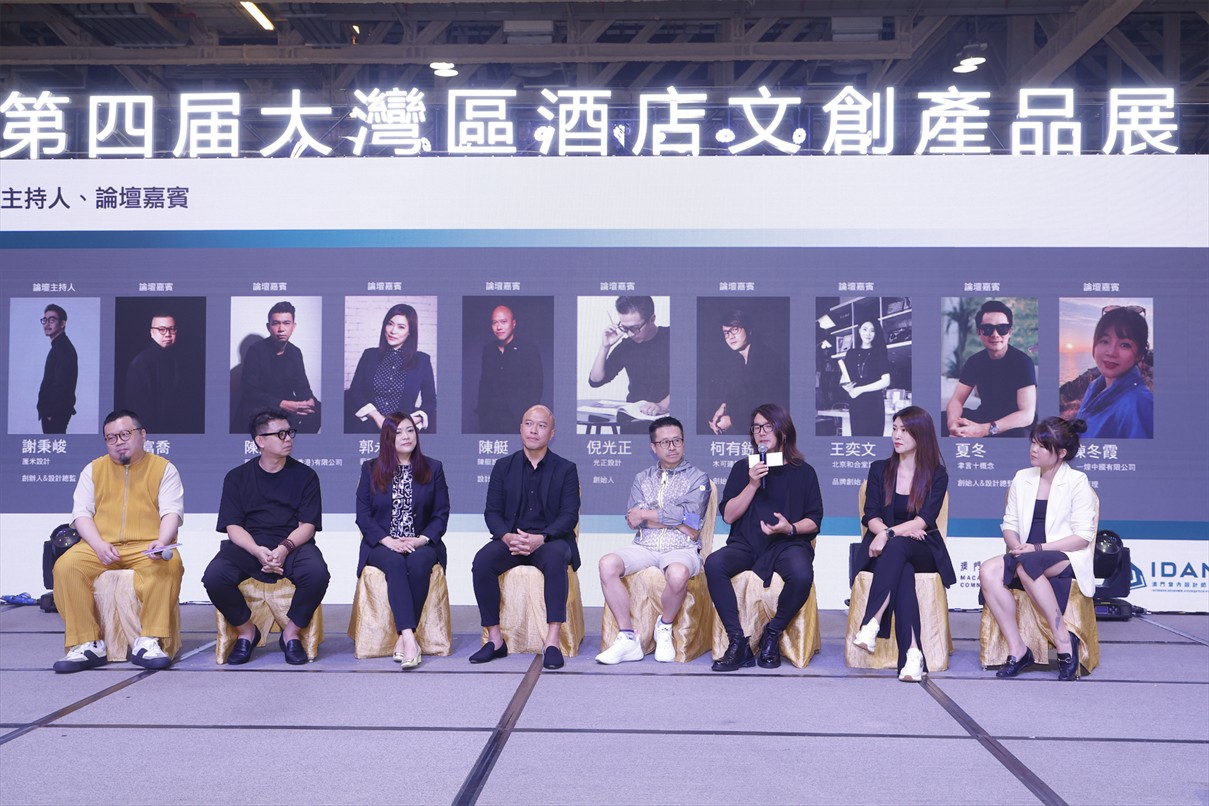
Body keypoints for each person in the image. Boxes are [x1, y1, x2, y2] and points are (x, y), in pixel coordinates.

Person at [51, 409, 184, 673]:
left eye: (125, 434)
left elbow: (172, 512)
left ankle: (149, 640)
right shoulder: (93, 469)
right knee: (66, 567)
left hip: (146, 546)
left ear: (142, 435)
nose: (118, 442)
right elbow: (81, 515)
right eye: (111, 438)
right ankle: (87, 642)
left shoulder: (163, 469)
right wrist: (98, 545)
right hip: (100, 546)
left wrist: (161, 541)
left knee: (169, 564)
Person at [203, 409, 329, 665]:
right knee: (214, 577)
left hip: (292, 545)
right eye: (280, 434)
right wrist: (256, 550)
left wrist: (283, 548)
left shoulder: (306, 476)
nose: (288, 438)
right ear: (260, 441)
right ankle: (247, 631)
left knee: (317, 574)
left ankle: (291, 633)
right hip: (250, 546)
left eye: (290, 432)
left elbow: (308, 526)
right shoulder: (237, 477)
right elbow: (233, 526)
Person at [705, 403, 824, 671]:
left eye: (768, 427)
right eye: (757, 427)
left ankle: (773, 633)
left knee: (802, 574)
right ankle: (738, 642)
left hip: (787, 543)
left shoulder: (804, 471)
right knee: (714, 563)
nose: (761, 432)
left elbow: (814, 519)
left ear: (784, 431)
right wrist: (752, 484)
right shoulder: (743, 468)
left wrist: (789, 528)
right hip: (746, 544)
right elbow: (729, 516)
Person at [978, 417, 1096, 681]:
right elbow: (1009, 525)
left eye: (1042, 446)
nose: (1034, 449)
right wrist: (1016, 546)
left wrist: (1038, 548)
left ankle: (1063, 640)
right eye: (1033, 442)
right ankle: (1019, 649)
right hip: (1026, 553)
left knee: (1027, 566)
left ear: (1061, 453)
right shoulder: (1023, 477)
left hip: (1064, 554)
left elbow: (1082, 537)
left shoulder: (1077, 481)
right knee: (988, 571)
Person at [470, 405, 581, 670]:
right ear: (520, 428)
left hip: (549, 540)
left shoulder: (565, 469)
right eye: (529, 423)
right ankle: (495, 639)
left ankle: (552, 641)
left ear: (552, 433)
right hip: (512, 540)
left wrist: (542, 537)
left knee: (555, 559)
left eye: (541, 425)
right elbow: (492, 512)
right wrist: (506, 536)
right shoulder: (503, 467)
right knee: (482, 562)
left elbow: (569, 515)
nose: (534, 430)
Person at [596, 416, 711, 664]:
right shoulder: (642, 478)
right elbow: (632, 519)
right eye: (665, 442)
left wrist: (648, 514)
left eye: (677, 441)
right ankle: (628, 637)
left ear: (683, 442)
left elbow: (692, 520)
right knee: (607, 564)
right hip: (644, 546)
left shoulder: (698, 478)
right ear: (653, 447)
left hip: (682, 547)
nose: (672, 447)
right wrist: (677, 521)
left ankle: (664, 626)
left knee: (678, 574)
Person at [850, 406, 953, 682]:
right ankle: (913, 655)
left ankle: (872, 622)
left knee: (897, 549)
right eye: (895, 428)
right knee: (902, 568)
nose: (897, 435)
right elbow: (870, 515)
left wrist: (888, 534)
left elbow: (924, 520)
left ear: (921, 435)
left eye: (905, 430)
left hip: (923, 549)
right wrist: (891, 534)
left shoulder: (937, 474)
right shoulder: (879, 469)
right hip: (887, 550)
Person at [355, 412, 450, 669]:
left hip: (421, 542)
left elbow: (441, 514)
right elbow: (363, 516)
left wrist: (421, 540)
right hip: (382, 544)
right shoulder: (371, 469)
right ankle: (409, 637)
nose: (406, 436)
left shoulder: (433, 468)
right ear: (388, 438)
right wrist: (388, 541)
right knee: (396, 563)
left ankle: (403, 639)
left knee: (418, 564)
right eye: (398, 432)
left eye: (410, 430)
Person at [947, 300, 1037, 438]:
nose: (995, 334)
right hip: (984, 416)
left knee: (1017, 435)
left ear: (1010, 332)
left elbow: (1027, 415)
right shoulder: (974, 362)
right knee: (938, 419)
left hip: (1014, 424)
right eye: (988, 329)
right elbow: (957, 400)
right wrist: (953, 425)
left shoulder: (1023, 363)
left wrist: (983, 430)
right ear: (979, 332)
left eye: (1002, 329)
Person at [348, 303, 437, 433]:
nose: (393, 331)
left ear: (410, 332)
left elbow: (430, 401)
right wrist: (377, 417)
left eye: (401, 327)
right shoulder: (369, 355)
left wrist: (411, 421)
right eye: (390, 324)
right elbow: (355, 392)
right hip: (367, 428)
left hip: (403, 431)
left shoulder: (422, 361)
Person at [588, 296, 670, 434]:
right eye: (625, 328)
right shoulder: (626, 346)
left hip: (668, 419)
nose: (630, 334)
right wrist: (605, 347)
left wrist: (663, 405)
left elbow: (690, 381)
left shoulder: (672, 337)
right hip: (634, 418)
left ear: (652, 319)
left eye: (635, 328)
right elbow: (596, 381)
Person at [236, 301, 321, 433]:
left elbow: (302, 386)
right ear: (268, 326)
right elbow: (250, 392)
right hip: (261, 405)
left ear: (293, 326)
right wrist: (283, 404)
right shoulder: (255, 351)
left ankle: (296, 442)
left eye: (286, 323)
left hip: (286, 404)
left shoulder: (295, 352)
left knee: (319, 409)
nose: (281, 329)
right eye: (276, 323)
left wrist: (309, 400)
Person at [707, 309, 789, 435]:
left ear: (749, 330)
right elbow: (740, 393)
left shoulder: (764, 359)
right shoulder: (744, 358)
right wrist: (724, 407)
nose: (730, 336)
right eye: (726, 333)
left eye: (735, 330)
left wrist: (732, 421)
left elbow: (767, 406)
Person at [1076, 306, 1153, 439]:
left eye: (1124, 345)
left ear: (1139, 354)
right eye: (1104, 341)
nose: (1111, 352)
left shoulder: (1139, 403)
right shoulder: (1095, 386)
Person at [123, 313, 204, 433]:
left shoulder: (181, 359)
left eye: (172, 329)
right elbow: (138, 408)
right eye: (162, 329)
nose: (168, 334)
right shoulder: (141, 363)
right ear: (152, 332)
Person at [475, 305, 543, 433]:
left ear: (513, 323)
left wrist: (527, 419)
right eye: (494, 322)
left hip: (518, 420)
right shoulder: (488, 350)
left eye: (503, 322)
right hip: (491, 421)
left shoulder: (529, 350)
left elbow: (536, 387)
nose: (499, 327)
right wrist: (482, 415)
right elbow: (484, 385)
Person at [840, 320, 891, 437]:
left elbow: (886, 381)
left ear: (876, 333)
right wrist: (846, 387)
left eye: (872, 330)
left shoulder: (879, 352)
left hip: (874, 405)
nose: (868, 334)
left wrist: (860, 389)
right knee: (858, 439)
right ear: (859, 330)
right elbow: (844, 378)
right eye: (865, 329)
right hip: (856, 404)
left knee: (874, 440)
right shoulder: (851, 353)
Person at [37, 303, 78, 434]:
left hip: (55, 413)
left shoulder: (63, 349)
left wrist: (49, 412)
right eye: (45, 320)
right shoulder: (59, 346)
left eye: (52, 320)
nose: (47, 324)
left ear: (62, 323)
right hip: (53, 412)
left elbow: (61, 385)